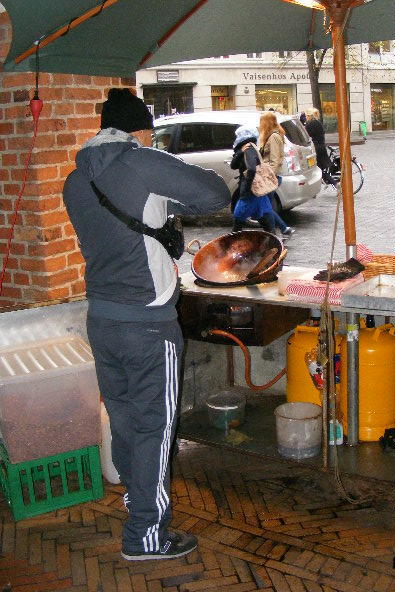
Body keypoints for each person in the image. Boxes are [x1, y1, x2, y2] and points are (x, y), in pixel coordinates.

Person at [63, 88, 230, 561]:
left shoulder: (75, 181)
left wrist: (162, 213)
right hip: (148, 325)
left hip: (103, 319)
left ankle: (138, 507)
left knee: (128, 423)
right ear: (138, 131)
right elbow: (215, 192)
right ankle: (146, 536)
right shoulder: (142, 161)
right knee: (156, 428)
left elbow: (120, 228)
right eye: (149, 132)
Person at [230, 126, 275, 233]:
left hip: (250, 192)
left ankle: (231, 243)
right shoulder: (250, 147)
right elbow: (234, 165)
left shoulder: (248, 149)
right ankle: (274, 242)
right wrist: (240, 152)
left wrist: (248, 185)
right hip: (259, 190)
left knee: (238, 219)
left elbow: (251, 169)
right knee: (266, 217)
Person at [258, 111, 295, 238]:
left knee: (266, 206)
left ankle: (278, 230)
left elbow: (275, 160)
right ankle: (282, 229)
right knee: (267, 206)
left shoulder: (273, 137)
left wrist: (268, 176)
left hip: (270, 176)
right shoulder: (274, 135)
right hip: (270, 176)